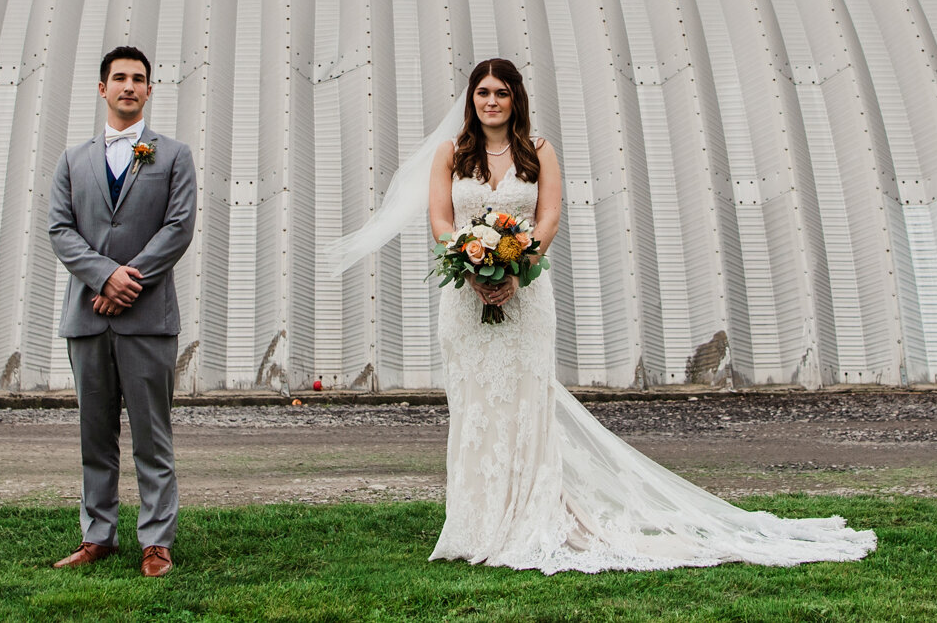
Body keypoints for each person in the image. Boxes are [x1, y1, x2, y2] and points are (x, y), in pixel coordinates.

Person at [342, 57, 876, 573]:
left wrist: (511, 267)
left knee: (527, 405)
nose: (491, 101)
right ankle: (477, 525)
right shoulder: (450, 154)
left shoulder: (540, 152)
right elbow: (440, 221)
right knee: (476, 405)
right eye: (483, 92)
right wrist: (472, 265)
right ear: (471, 99)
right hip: (464, 301)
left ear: (515, 98)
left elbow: (548, 218)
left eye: (501, 92)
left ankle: (528, 516)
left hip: (524, 295)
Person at [46, 44, 196, 578]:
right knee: (95, 433)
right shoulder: (72, 160)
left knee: (152, 436)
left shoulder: (173, 156)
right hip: (87, 318)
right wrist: (101, 275)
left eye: (138, 79)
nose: (128, 86)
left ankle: (156, 542)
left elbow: (178, 227)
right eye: (119, 78)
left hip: (147, 317)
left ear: (149, 90)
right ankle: (98, 536)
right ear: (103, 87)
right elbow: (60, 230)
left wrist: (126, 280)